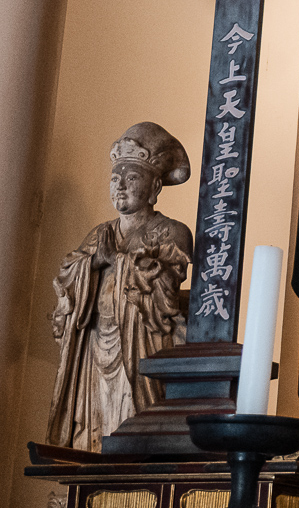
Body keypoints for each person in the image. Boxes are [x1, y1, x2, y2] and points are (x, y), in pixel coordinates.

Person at [47, 123, 193, 452]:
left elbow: (166, 289)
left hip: (140, 343)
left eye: (131, 177)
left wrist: (119, 261)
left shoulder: (172, 232)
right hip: (95, 345)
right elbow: (68, 279)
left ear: (155, 186)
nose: (120, 185)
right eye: (115, 178)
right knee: (92, 426)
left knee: (132, 421)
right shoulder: (100, 233)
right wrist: (94, 264)